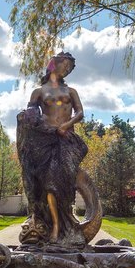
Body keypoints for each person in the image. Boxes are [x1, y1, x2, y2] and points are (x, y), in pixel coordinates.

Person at [17, 51, 92, 246]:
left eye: (69, 68)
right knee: (49, 185)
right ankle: (55, 227)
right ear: (54, 65)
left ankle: (65, 222)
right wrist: (29, 117)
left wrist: (65, 126)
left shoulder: (71, 92)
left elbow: (80, 112)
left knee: (63, 185)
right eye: (65, 66)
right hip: (45, 142)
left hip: (66, 141)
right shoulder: (39, 91)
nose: (66, 70)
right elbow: (30, 113)